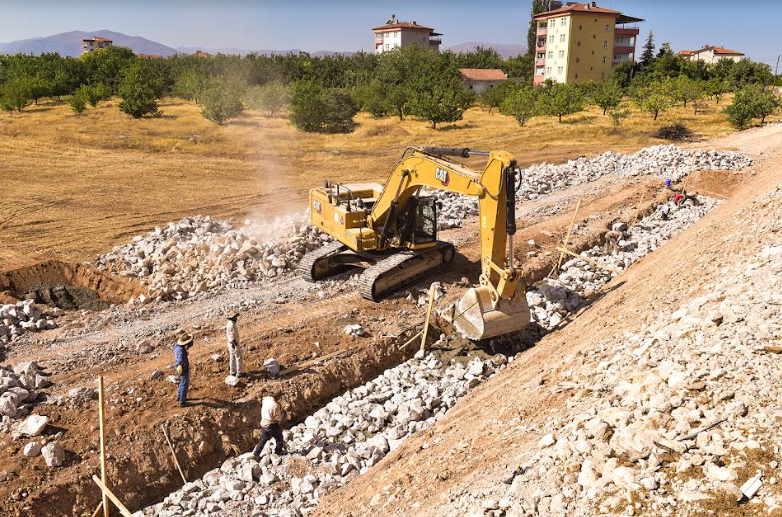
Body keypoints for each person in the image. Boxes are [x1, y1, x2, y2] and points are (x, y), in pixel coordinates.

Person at [174, 334, 193, 407]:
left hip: (180, 368)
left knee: (182, 382)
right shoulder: (181, 351)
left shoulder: (177, 346)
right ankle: (182, 402)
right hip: (183, 368)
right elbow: (180, 360)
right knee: (185, 384)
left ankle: (179, 396)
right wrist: (180, 365)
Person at [226, 311, 242, 377]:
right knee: (238, 358)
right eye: (235, 317)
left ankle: (232, 372)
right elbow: (232, 338)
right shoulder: (232, 325)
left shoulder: (229, 323)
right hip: (233, 344)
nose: (236, 318)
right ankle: (239, 373)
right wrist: (236, 346)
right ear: (233, 318)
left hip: (230, 343)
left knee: (232, 357)